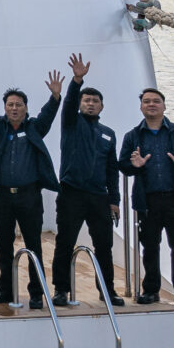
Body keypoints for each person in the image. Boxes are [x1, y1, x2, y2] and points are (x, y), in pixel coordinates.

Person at [0, 64, 62, 310]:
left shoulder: (35, 128)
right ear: (5, 108)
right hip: (3, 196)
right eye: (10, 105)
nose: (14, 108)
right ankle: (6, 289)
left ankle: (36, 293)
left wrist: (55, 97)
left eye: (18, 105)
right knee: (3, 243)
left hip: (29, 196)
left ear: (25, 108)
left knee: (33, 244)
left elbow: (48, 114)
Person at [53, 53, 125, 307]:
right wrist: (77, 81)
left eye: (95, 101)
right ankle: (61, 289)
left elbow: (112, 171)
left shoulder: (108, 134)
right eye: (87, 100)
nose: (91, 103)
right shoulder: (71, 123)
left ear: (102, 106)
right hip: (71, 193)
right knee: (65, 241)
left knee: (104, 247)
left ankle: (107, 291)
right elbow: (69, 102)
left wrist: (114, 201)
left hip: (98, 197)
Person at [122, 86, 174, 308]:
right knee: (150, 247)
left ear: (164, 106)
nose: (151, 104)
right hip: (147, 201)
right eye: (146, 101)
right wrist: (134, 165)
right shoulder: (132, 136)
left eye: (156, 101)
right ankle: (150, 291)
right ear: (141, 107)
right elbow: (123, 166)